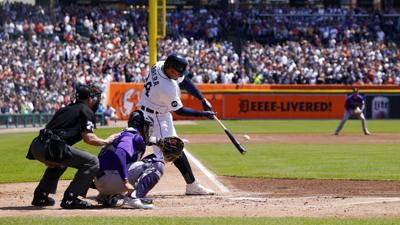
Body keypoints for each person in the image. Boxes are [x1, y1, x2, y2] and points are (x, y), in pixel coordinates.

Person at [26, 84, 119, 209]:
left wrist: (47, 156)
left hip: (37, 145)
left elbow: (48, 128)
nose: (98, 101)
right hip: (51, 147)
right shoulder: (86, 110)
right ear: (90, 99)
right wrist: (106, 141)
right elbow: (89, 138)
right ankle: (71, 198)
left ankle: (40, 195)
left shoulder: (65, 109)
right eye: (97, 98)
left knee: (61, 162)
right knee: (92, 162)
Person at [138, 54, 216, 195]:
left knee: (176, 147)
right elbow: (180, 111)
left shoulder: (160, 65)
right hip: (156, 119)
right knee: (163, 155)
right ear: (172, 70)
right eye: (179, 72)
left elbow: (184, 81)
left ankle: (192, 185)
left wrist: (202, 99)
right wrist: (203, 114)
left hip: (156, 111)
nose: (180, 75)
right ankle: (128, 181)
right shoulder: (167, 88)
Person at [94, 110, 184, 209]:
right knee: (157, 164)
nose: (149, 130)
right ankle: (134, 197)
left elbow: (144, 141)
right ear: (143, 126)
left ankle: (109, 196)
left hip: (104, 181)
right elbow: (120, 153)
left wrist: (159, 141)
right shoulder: (130, 136)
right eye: (148, 127)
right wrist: (125, 182)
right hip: (109, 180)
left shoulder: (127, 134)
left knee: (146, 160)